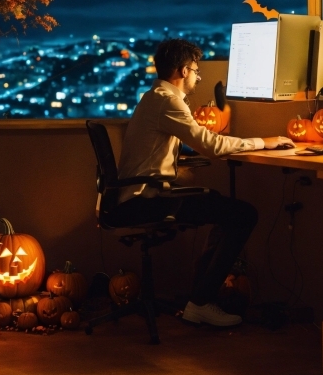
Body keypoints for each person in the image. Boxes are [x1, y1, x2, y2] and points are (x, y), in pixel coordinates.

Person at [110, 38, 294, 327]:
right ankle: (200, 302)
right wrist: (265, 141)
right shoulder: (168, 101)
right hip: (145, 200)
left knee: (222, 206)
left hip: (137, 194)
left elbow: (163, 149)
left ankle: (200, 297)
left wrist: (177, 165)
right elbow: (212, 145)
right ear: (183, 71)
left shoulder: (153, 97)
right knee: (243, 215)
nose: (197, 76)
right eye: (195, 70)